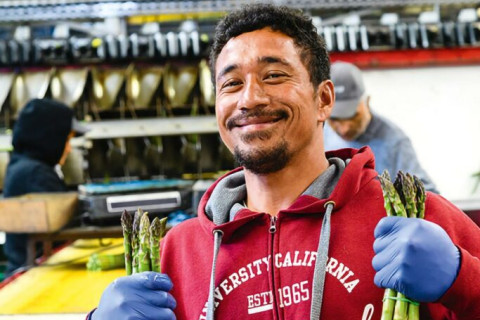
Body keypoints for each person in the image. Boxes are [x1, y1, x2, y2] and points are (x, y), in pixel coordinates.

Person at [90, 4, 480, 320]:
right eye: (230, 84)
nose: (250, 99)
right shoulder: (176, 252)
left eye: (274, 75)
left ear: (323, 100)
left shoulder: (414, 220)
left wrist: (463, 278)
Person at [2, 98, 88, 275]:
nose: (69, 149)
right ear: (49, 138)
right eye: (67, 139)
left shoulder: (22, 165)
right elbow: (66, 226)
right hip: (31, 275)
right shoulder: (34, 173)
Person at [324, 61, 438, 193]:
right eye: (334, 119)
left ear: (367, 101)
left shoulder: (395, 142)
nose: (344, 129)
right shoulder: (319, 133)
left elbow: (428, 194)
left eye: (353, 117)